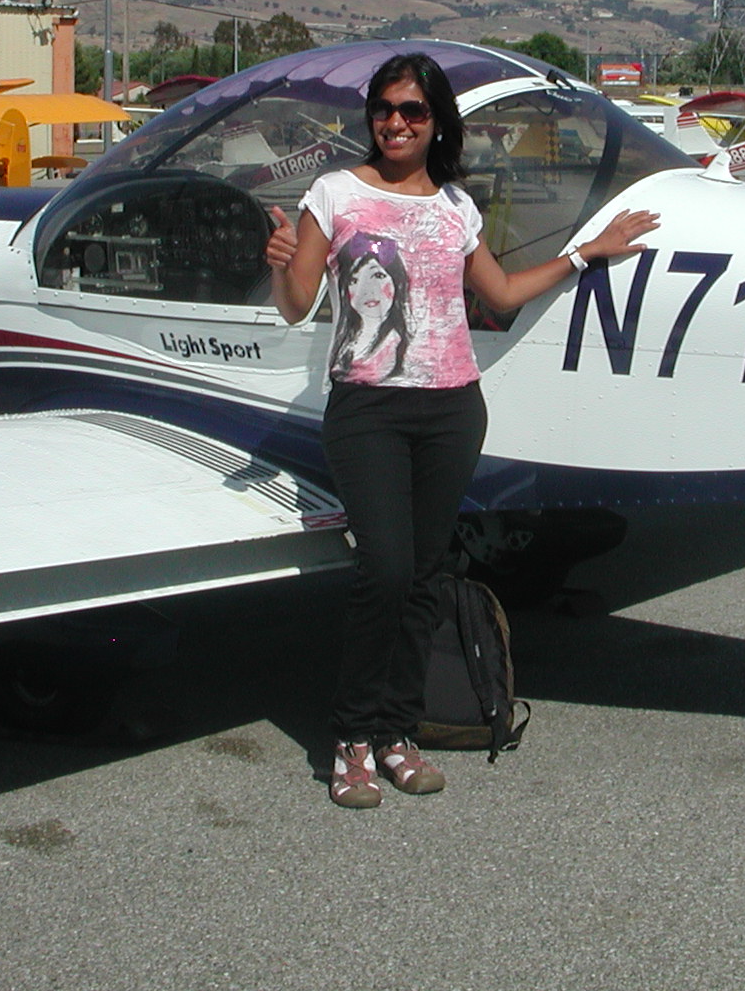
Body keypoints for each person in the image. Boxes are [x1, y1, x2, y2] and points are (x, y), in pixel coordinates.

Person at [267, 52, 658, 808]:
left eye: (413, 111)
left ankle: (397, 733)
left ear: (437, 121)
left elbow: (502, 291)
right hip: (369, 410)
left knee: (425, 577)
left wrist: (585, 254)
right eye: (384, 109)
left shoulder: (454, 205)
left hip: (451, 409)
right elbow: (296, 304)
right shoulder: (335, 193)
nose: (396, 123)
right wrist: (283, 262)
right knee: (383, 571)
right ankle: (351, 737)